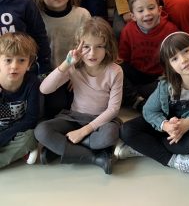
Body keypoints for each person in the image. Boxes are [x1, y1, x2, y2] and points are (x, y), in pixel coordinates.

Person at [116, 32, 189, 176]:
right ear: (170, 66)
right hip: (167, 124)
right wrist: (165, 125)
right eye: (174, 58)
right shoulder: (167, 84)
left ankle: (144, 147)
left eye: (186, 51)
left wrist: (188, 123)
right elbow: (148, 110)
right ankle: (173, 160)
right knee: (126, 130)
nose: (183, 60)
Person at [34, 17, 123, 174]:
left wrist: (84, 131)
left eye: (99, 46)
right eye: (86, 47)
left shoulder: (115, 71)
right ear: (78, 47)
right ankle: (96, 158)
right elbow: (44, 89)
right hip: (74, 118)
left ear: (108, 47)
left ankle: (62, 149)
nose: (92, 53)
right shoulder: (74, 67)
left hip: (101, 122)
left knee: (109, 136)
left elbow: (113, 109)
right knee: (41, 131)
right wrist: (67, 63)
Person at [31, 0, 91, 116]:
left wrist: (79, 73)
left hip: (77, 71)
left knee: (81, 104)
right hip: (50, 74)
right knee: (56, 106)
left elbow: (89, 47)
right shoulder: (37, 17)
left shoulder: (82, 14)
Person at [118, 0, 178, 109]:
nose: (147, 13)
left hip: (159, 77)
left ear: (159, 10)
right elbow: (124, 59)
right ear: (133, 16)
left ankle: (136, 97)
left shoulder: (170, 30)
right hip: (136, 73)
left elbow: (175, 60)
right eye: (140, 11)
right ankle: (137, 100)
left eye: (151, 8)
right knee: (117, 70)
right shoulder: (128, 30)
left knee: (170, 84)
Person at [0, 32, 40, 168]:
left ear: (29, 63)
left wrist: (4, 137)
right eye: (8, 60)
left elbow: (31, 119)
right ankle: (20, 152)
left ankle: (11, 153)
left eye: (21, 60)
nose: (14, 66)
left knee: (30, 137)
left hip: (18, 130)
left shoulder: (32, 83)